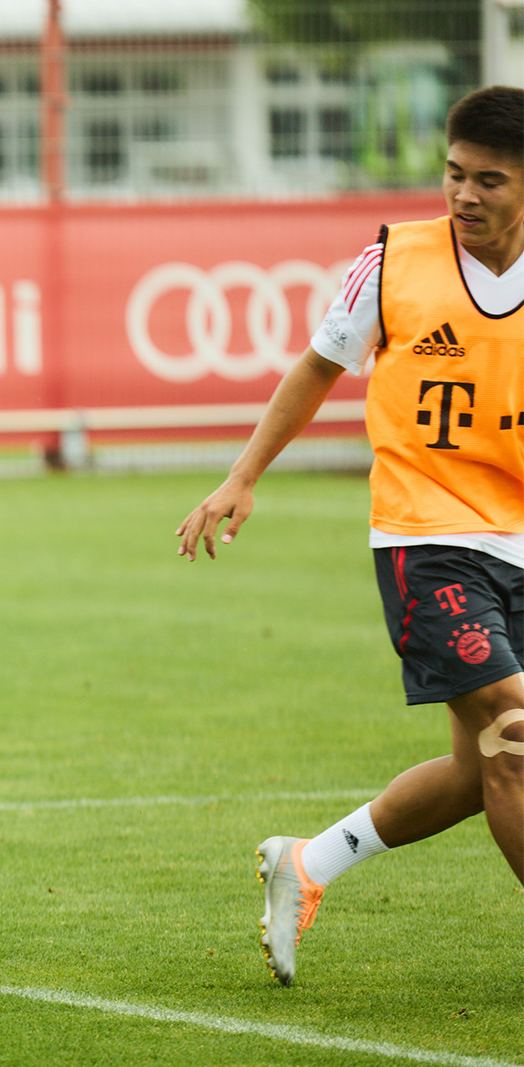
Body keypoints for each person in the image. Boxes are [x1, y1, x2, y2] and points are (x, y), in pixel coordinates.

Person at [177, 86, 524, 987]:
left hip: (517, 538)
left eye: (490, 179)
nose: (464, 195)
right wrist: (241, 476)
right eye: (454, 173)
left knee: (474, 767)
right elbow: (317, 367)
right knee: (516, 736)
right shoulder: (394, 260)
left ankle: (310, 862)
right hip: (426, 535)